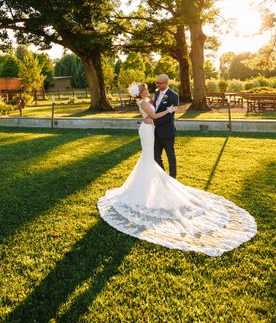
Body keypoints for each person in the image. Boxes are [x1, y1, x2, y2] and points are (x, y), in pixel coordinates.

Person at [97, 82, 257, 255]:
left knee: (149, 158)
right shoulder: (143, 102)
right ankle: (147, 189)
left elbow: (153, 107)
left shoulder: (146, 99)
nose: (149, 90)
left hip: (149, 129)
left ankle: (150, 187)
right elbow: (155, 116)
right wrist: (170, 110)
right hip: (147, 130)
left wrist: (156, 107)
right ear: (141, 92)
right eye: (145, 89)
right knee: (148, 158)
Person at [149, 73, 179, 178]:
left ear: (166, 83)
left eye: (159, 83)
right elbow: (155, 109)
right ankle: (163, 176)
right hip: (156, 132)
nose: (157, 85)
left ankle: (172, 178)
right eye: (156, 82)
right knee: (156, 156)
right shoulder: (157, 93)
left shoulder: (173, 96)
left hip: (167, 132)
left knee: (170, 156)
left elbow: (169, 116)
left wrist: (154, 122)